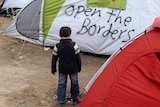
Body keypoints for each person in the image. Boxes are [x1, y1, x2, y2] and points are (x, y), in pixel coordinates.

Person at [51, 26, 82, 106]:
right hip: (73, 68)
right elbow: (78, 58)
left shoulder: (57, 46)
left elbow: (54, 59)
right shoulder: (74, 45)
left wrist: (53, 69)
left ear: (59, 35)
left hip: (62, 68)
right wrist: (79, 67)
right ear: (70, 34)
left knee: (61, 83)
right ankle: (75, 97)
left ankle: (61, 100)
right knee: (74, 82)